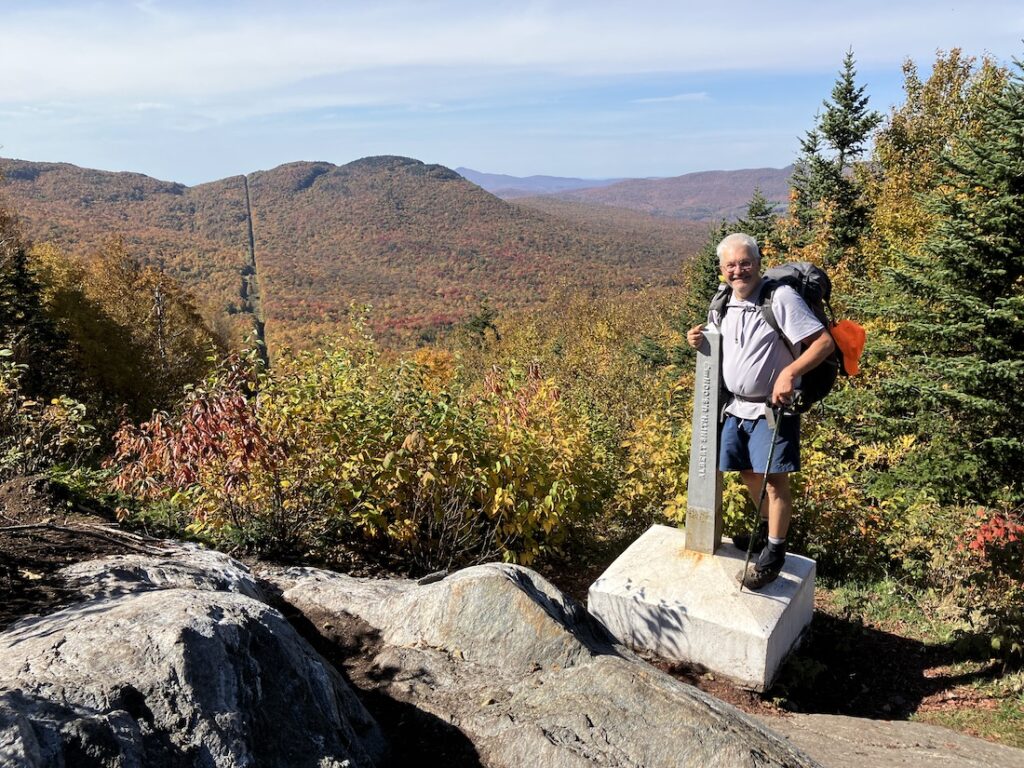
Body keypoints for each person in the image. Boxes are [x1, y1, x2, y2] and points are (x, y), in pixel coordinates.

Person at [686, 233, 835, 589]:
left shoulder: (779, 298)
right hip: (736, 407)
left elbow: (825, 343)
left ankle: (774, 552)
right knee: (748, 474)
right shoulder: (722, 301)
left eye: (745, 263)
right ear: (722, 269)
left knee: (773, 481)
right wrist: (696, 339)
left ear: (757, 262)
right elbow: (719, 340)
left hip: (773, 408)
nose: (739, 271)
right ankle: (769, 534)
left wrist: (790, 372)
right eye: (731, 265)